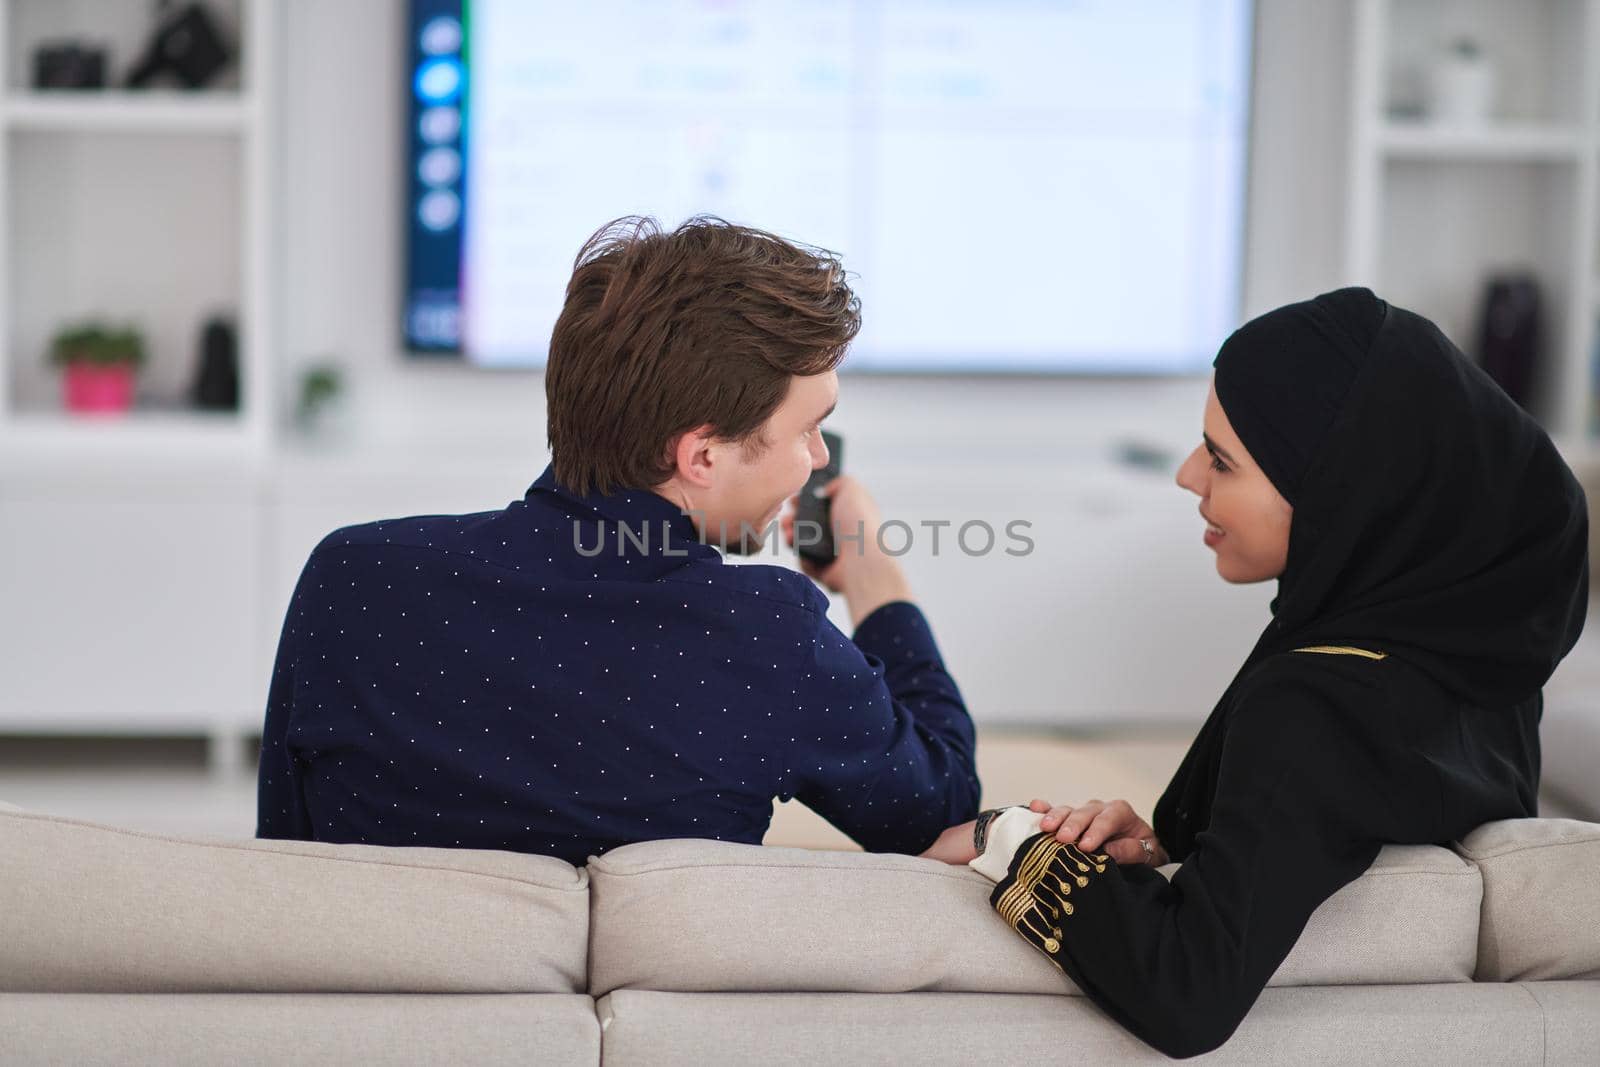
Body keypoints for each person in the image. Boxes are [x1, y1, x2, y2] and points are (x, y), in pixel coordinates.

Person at [922, 287, 1588, 1058]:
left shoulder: (1317, 705)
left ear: (1341, 491)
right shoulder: (1475, 678)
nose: (1185, 475)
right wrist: (1165, 853)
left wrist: (1004, 837)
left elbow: (1187, 991)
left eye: (1222, 460)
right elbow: (1292, 840)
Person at [257, 215, 980, 864]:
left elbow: (287, 863)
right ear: (702, 456)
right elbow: (939, 807)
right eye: (807, 428)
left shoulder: (353, 577)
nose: (819, 458)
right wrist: (875, 578)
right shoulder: (769, 633)